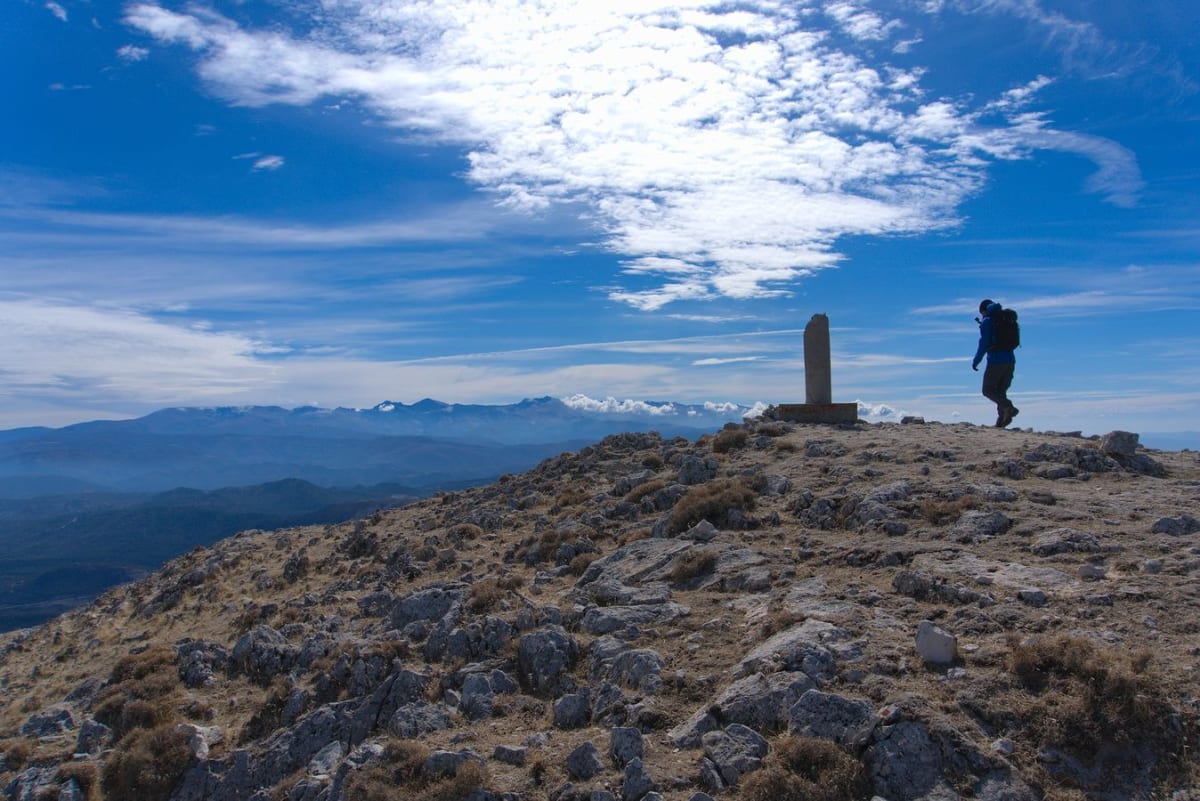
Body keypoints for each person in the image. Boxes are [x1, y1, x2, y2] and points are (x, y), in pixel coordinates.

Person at [972, 298, 1019, 428]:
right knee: (1000, 391)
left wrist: (976, 360)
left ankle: (1008, 408)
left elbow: (984, 343)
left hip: (996, 361)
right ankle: (1002, 420)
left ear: (983, 310)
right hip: (1010, 361)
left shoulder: (988, 321)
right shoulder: (1006, 318)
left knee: (988, 390)